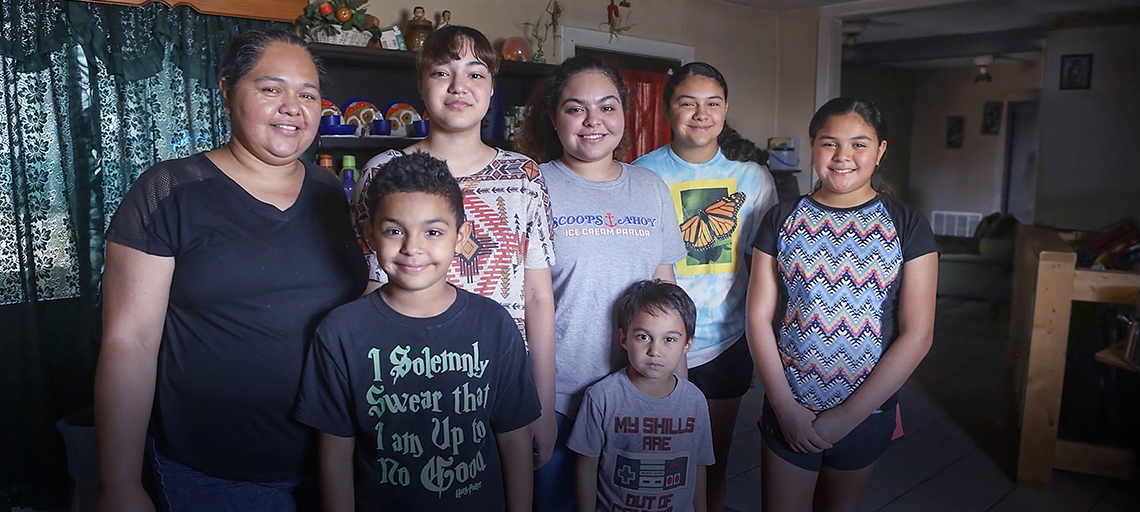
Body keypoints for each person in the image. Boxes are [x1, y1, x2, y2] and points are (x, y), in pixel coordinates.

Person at [94, 29, 367, 511]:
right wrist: (118, 482)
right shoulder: (169, 191)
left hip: (337, 459)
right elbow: (129, 341)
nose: (292, 106)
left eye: (307, 93)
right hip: (214, 473)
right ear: (226, 90)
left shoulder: (332, 193)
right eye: (271, 88)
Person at [351, 25, 558, 471]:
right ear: (422, 86)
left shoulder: (524, 176)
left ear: (491, 89)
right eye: (442, 72)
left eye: (475, 74)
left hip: (502, 381)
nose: (459, 86)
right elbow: (373, 286)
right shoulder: (383, 172)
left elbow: (539, 296)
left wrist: (542, 401)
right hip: (407, 373)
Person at [295, 152, 539, 511]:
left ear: (461, 236)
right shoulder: (340, 333)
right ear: (370, 234)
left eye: (433, 231)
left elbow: (515, 442)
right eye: (394, 231)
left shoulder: (494, 325)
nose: (412, 248)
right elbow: (335, 458)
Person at [745, 97, 937, 512]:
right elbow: (758, 317)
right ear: (814, 145)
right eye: (830, 143)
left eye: (859, 144)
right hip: (790, 403)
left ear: (881, 150)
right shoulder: (782, 217)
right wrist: (784, 406)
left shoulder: (907, 225)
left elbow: (918, 334)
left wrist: (848, 415)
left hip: (866, 410)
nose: (843, 157)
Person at [514, 55, 687, 512]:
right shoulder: (533, 186)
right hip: (558, 398)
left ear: (624, 114)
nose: (594, 121)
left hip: (638, 394)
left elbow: (666, 290)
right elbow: (530, 299)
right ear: (554, 118)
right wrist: (540, 408)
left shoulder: (650, 187)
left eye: (607, 107)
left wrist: (679, 393)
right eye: (575, 108)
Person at [632, 62, 777, 512]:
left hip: (725, 341)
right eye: (687, 102)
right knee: (650, 462)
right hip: (656, 341)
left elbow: (765, 267)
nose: (701, 113)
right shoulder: (641, 173)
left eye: (712, 103)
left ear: (726, 109)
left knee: (712, 461)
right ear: (666, 109)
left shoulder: (752, 179)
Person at [568, 280, 714, 512]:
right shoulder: (601, 397)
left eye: (669, 339)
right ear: (624, 338)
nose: (655, 351)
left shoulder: (695, 401)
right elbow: (586, 466)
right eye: (643, 337)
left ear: (687, 344)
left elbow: (699, 464)